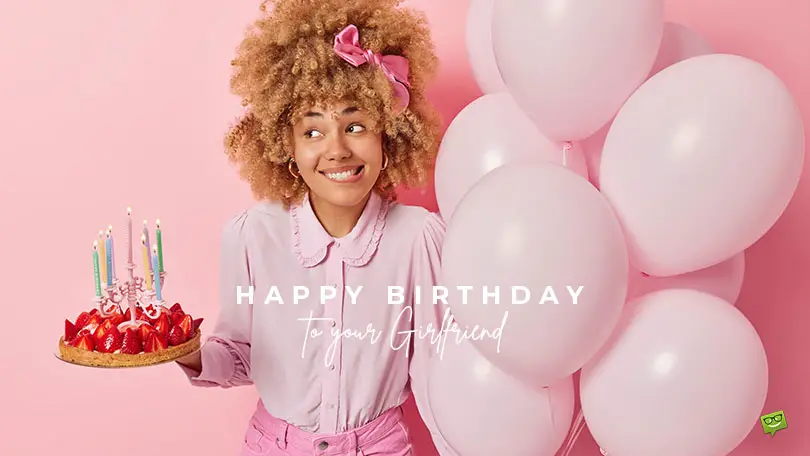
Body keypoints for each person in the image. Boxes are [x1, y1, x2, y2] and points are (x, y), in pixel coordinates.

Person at [176, 1, 457, 454]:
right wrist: (184, 351)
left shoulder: (418, 237)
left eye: (357, 124)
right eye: (312, 131)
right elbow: (243, 355)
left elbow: (438, 373)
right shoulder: (251, 235)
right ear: (285, 144)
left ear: (388, 136)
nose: (337, 149)